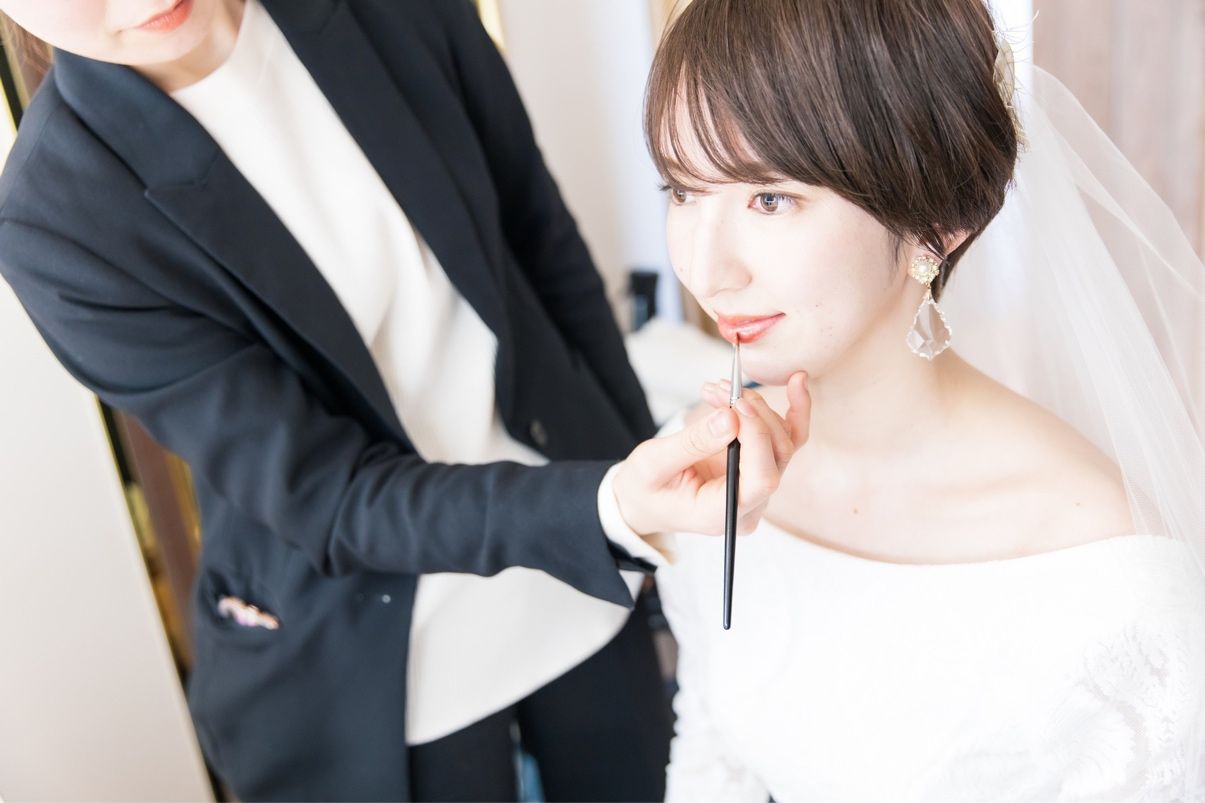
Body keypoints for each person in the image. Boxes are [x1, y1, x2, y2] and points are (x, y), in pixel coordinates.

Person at [0, 0, 808, 800]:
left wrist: (636, 468)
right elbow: (328, 493)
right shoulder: (56, 220)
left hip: (577, 559)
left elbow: (540, 242)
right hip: (372, 643)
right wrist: (609, 505)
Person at [618, 0, 1205, 799]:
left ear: (936, 223)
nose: (706, 269)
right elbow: (710, 751)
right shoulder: (706, 472)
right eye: (683, 190)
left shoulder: (1106, 578)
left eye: (769, 198)